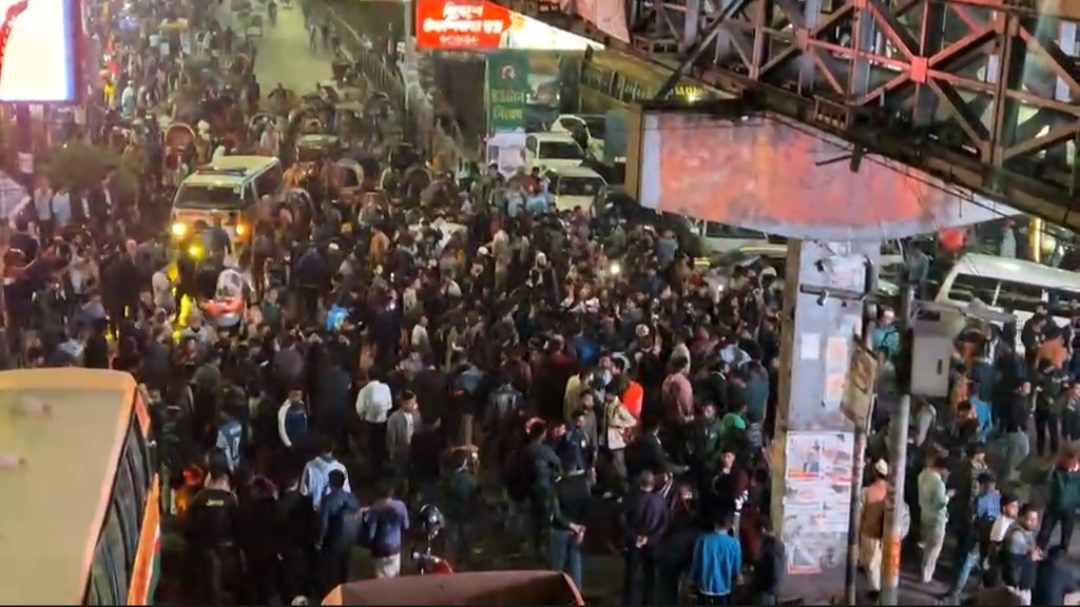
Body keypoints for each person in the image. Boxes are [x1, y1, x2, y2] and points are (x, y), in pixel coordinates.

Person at [689, 510, 742, 605]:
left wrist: (693, 580)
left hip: (705, 587)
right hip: (724, 589)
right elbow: (736, 568)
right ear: (730, 525)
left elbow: (696, 563)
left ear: (715, 523)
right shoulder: (734, 544)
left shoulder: (703, 540)